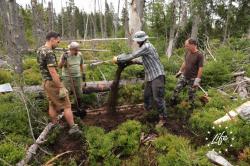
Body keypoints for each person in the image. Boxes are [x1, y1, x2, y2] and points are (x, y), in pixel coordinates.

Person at [112, 31, 167, 125]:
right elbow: (143, 60)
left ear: (142, 39)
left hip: (157, 75)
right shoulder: (145, 48)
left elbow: (133, 54)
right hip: (150, 76)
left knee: (158, 98)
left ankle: (163, 118)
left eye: (138, 40)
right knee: (146, 96)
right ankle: (148, 113)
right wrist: (133, 61)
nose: (137, 42)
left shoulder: (147, 46)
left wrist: (118, 59)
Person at [37, 32, 82, 135]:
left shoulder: (40, 50)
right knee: (67, 105)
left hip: (46, 82)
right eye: (58, 41)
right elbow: (53, 71)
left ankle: (55, 125)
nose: (58, 43)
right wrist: (61, 86)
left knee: (52, 104)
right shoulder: (49, 52)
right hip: (53, 83)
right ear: (52, 39)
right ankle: (73, 128)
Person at [170, 38, 204, 108]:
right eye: (186, 46)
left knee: (191, 95)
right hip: (184, 76)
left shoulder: (199, 55)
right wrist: (180, 71)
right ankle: (172, 105)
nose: (186, 47)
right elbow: (185, 62)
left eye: (187, 46)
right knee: (176, 90)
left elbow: (200, 68)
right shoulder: (187, 52)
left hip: (193, 79)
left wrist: (197, 80)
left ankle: (190, 111)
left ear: (193, 45)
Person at [58, 42, 85, 108]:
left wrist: (83, 73)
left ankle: (78, 106)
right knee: (66, 93)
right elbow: (59, 66)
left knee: (79, 93)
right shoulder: (65, 55)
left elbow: (81, 64)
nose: (77, 51)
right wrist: (63, 59)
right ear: (70, 49)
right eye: (75, 50)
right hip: (67, 77)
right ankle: (67, 107)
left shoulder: (79, 55)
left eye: (78, 49)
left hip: (77, 77)